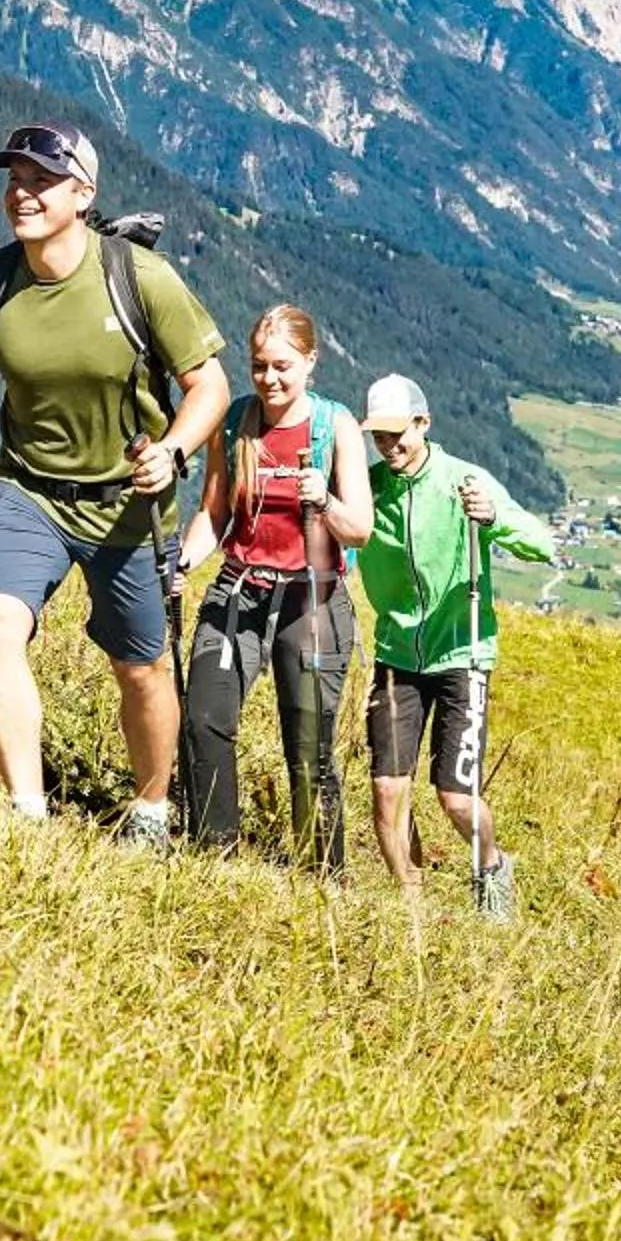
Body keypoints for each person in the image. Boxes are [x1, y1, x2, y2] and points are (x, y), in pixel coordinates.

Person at [0, 121, 230, 843]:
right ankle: (26, 815)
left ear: (83, 195)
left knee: (139, 669)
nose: (21, 193)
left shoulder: (139, 280)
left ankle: (148, 810)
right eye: (14, 179)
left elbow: (208, 386)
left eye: (41, 181)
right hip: (29, 492)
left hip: (127, 508)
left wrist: (173, 451)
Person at [177, 305, 375, 872]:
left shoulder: (334, 427)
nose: (270, 379)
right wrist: (184, 563)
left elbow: (359, 526)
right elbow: (215, 514)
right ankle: (213, 857)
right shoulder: (237, 422)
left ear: (311, 362)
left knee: (308, 744)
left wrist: (324, 500)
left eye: (283, 366)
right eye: (260, 366)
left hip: (312, 599)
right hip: (239, 589)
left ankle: (320, 875)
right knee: (204, 719)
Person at [353, 374, 554, 917]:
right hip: (397, 656)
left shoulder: (462, 480)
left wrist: (492, 518)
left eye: (399, 434)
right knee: (387, 795)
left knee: (456, 799)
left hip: (462, 656)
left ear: (424, 423)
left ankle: (492, 866)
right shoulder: (370, 487)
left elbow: (543, 544)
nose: (390, 446)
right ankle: (412, 909)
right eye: (380, 437)